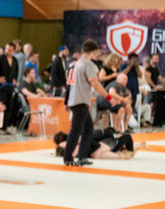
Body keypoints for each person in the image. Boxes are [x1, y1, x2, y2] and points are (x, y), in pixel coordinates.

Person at [64, 39, 111, 167]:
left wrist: (66, 101)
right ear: (94, 51)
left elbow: (69, 84)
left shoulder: (74, 64)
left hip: (76, 100)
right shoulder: (89, 65)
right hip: (81, 101)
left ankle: (82, 156)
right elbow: (95, 85)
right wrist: (109, 97)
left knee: (88, 128)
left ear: (82, 50)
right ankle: (68, 157)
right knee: (76, 131)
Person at [54, 128, 146, 160]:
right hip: (102, 142)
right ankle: (132, 149)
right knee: (123, 140)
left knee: (122, 141)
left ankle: (132, 149)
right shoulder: (75, 143)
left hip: (103, 140)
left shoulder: (76, 143)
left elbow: (96, 144)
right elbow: (95, 145)